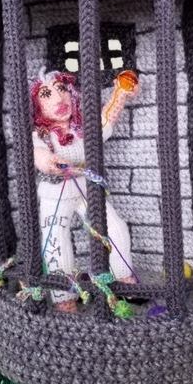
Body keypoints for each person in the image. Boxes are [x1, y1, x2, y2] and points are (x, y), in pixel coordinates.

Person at [31, 67, 139, 312]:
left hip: (86, 189)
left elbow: (107, 118)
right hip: (55, 194)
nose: (59, 99)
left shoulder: (82, 128)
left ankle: (124, 279)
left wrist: (120, 92)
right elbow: (38, 153)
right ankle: (63, 297)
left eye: (62, 89)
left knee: (115, 227)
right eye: (47, 94)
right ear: (37, 106)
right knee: (55, 243)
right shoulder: (41, 134)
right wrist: (48, 161)